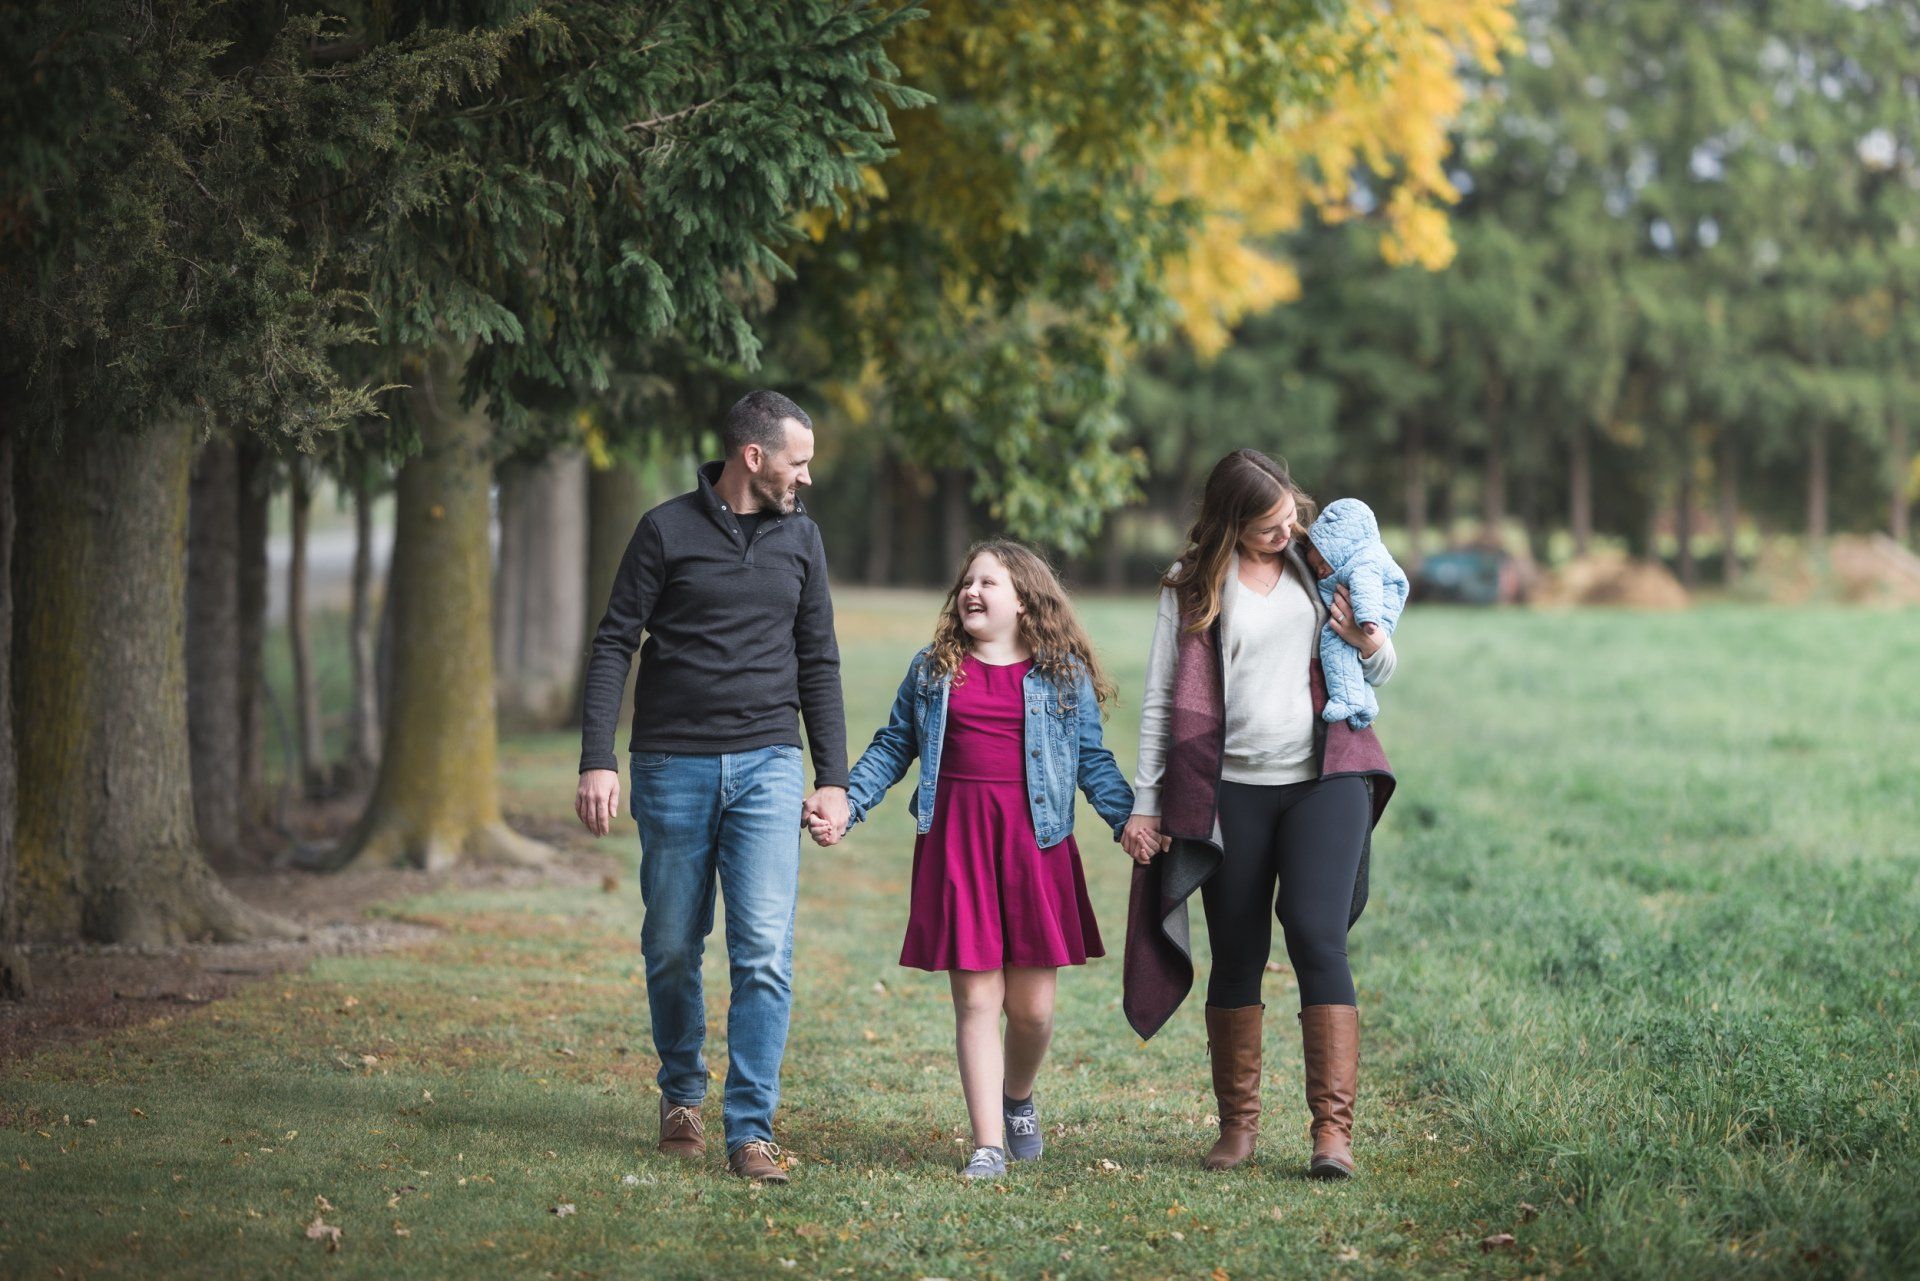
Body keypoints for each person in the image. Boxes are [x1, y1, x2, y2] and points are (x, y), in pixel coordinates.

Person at [574, 389, 849, 1185]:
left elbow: (820, 660)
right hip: (672, 764)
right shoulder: (664, 530)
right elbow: (613, 643)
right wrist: (600, 756)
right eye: (798, 462)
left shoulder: (803, 539)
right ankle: (681, 1095)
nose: (807, 478)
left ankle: (751, 1127)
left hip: (768, 762)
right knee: (670, 943)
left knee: (763, 949)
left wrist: (831, 777)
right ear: (753, 457)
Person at [809, 540, 1133, 1180]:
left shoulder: (1061, 674)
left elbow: (1092, 761)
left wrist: (1130, 822)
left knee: (1033, 1010)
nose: (973, 592)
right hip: (957, 846)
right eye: (967, 581)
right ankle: (987, 1144)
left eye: (989, 582)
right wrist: (850, 802)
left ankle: (1017, 1098)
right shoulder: (933, 670)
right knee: (977, 1002)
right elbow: (893, 745)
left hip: (1035, 847)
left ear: (1024, 601)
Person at [1120, 448, 1398, 1179]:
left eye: (1291, 514)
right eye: (1270, 524)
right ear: (1231, 522)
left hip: (1323, 776)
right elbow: (1159, 699)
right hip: (1230, 790)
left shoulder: (1319, 562)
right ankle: (1238, 1127)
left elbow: (1380, 656)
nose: (1289, 529)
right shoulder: (1189, 586)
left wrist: (1372, 643)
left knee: (1315, 931)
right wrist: (1147, 803)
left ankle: (1332, 1134)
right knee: (1237, 950)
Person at [1302, 497, 1409, 729]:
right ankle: (1365, 703)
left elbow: (1366, 587)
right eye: (1315, 568)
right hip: (1360, 622)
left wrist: (1367, 622)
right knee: (1345, 657)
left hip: (1366, 619)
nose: (1320, 571)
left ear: (1337, 549)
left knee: (1333, 641)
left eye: (1322, 562)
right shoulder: (1346, 562)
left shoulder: (1362, 562)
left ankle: (1346, 699)